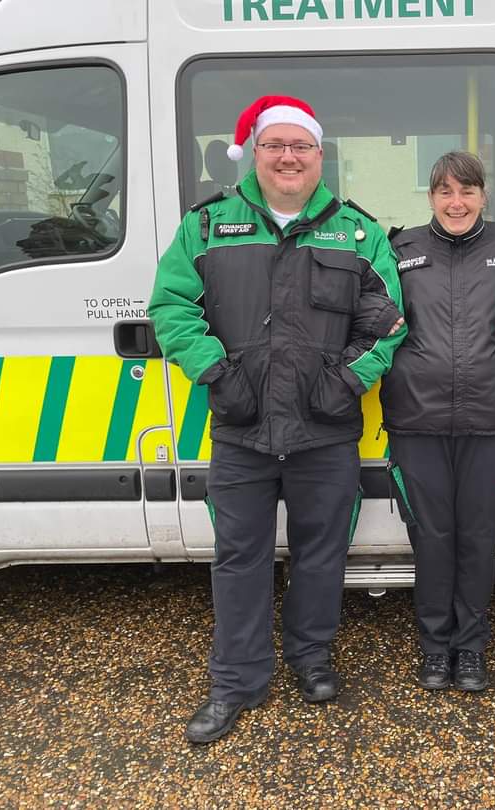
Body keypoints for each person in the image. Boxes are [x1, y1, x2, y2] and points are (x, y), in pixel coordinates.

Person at [149, 95, 405, 743]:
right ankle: (236, 681)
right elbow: (172, 307)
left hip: (326, 431)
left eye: (301, 146)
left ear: (320, 156)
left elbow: (389, 321)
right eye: (275, 145)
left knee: (322, 555)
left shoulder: (356, 232)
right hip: (243, 428)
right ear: (254, 154)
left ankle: (311, 658)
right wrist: (215, 374)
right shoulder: (208, 227)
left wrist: (347, 380)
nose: (288, 156)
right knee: (240, 558)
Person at [382, 151, 495, 692]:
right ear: (430, 198)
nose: (457, 202)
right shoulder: (401, 251)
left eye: (467, 191)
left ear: (484, 195)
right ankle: (434, 646)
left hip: (492, 419)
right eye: (445, 191)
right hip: (415, 420)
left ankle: (470, 647)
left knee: (477, 537)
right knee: (432, 537)